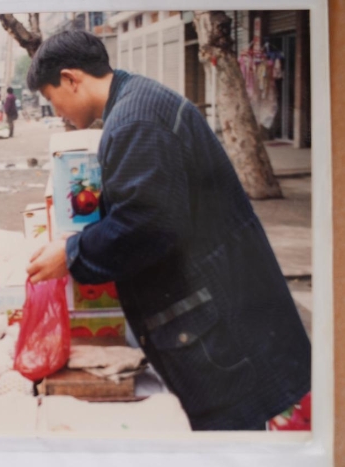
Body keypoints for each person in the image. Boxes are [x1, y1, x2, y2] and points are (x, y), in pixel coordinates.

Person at [25, 31, 311, 431]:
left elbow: (146, 225)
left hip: (217, 328)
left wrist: (72, 254)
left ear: (71, 79)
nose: (56, 110)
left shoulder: (135, 122)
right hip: (217, 311)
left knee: (228, 440)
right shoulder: (137, 103)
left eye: (51, 97)